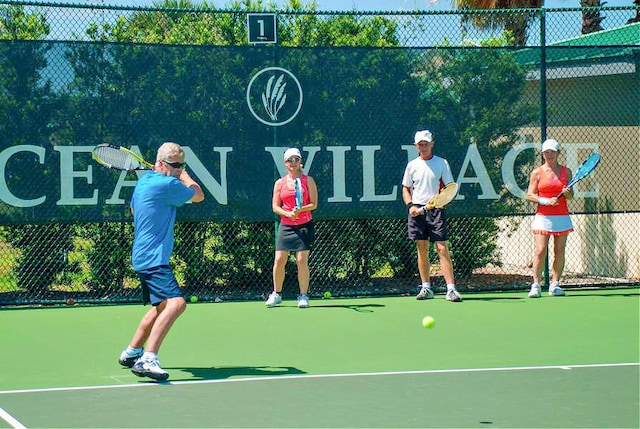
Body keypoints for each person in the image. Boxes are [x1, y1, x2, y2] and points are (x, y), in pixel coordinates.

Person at [118, 142, 205, 381]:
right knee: (177, 304)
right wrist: (186, 176)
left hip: (143, 255)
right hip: (154, 258)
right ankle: (148, 358)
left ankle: (131, 352)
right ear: (160, 163)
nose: (178, 169)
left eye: (181, 165)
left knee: (161, 307)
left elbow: (135, 211)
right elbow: (198, 196)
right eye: (174, 165)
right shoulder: (168, 183)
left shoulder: (144, 182)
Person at [402, 130, 462, 302]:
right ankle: (426, 287)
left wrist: (438, 202)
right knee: (422, 248)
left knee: (442, 247)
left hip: (436, 209)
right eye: (420, 144)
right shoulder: (412, 165)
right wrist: (410, 205)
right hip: (417, 210)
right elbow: (405, 188)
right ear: (416, 146)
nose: (423, 146)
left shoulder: (441, 163)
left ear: (432, 144)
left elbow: (450, 187)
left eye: (426, 143)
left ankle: (451, 289)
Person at [265, 148, 318, 308]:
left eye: (296, 159)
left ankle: (303, 296)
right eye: (289, 160)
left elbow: (314, 204)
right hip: (286, 226)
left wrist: (300, 210)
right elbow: (275, 206)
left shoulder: (308, 180)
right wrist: (288, 214)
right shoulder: (280, 183)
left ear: (300, 161)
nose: (293, 163)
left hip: (304, 225)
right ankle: (277, 294)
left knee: (301, 260)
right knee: (280, 260)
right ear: (285, 163)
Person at [525, 138, 574, 298]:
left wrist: (568, 193)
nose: (549, 155)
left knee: (559, 251)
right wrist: (545, 201)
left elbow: (571, 196)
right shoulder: (537, 172)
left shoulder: (567, 172)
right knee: (540, 251)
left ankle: (555, 284)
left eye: (552, 152)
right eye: (546, 152)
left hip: (562, 216)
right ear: (543, 154)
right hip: (543, 216)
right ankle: (536, 285)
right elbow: (530, 195)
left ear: (558, 153)